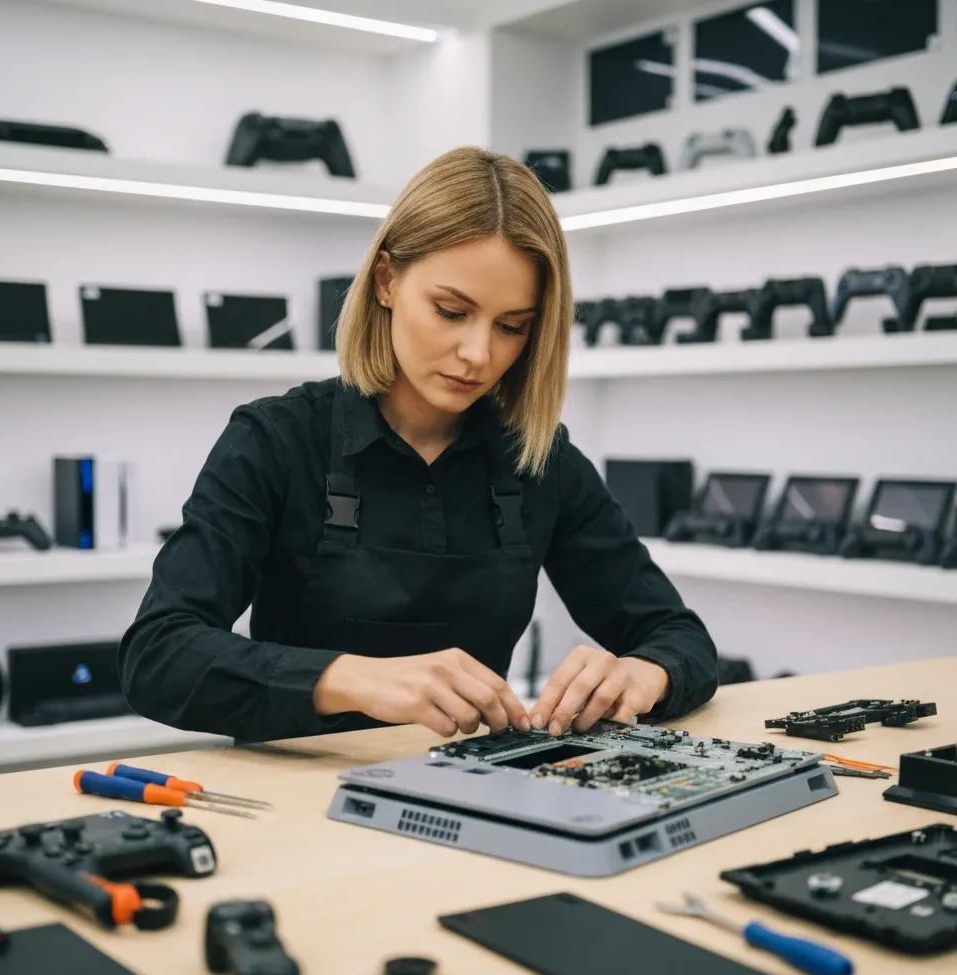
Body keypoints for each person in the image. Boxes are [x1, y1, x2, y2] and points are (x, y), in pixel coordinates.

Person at [118, 146, 718, 744]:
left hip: (474, 797)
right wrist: (350, 680)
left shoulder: (540, 460)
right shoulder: (276, 440)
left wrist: (643, 675)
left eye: (513, 327)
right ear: (386, 281)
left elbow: (681, 639)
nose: (479, 354)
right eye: (451, 311)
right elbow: (159, 653)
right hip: (299, 799)